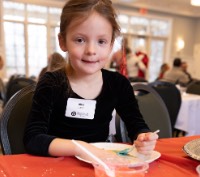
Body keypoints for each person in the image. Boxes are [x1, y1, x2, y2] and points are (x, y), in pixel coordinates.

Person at [23, 0, 158, 161]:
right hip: (57, 166)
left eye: (101, 41)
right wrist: (81, 148)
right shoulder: (52, 82)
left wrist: (144, 137)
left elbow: (136, 124)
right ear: (62, 41)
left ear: (110, 45)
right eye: (80, 40)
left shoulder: (118, 84)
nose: (91, 51)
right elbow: (33, 139)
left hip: (101, 165)